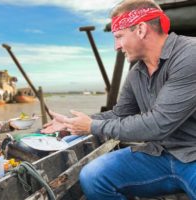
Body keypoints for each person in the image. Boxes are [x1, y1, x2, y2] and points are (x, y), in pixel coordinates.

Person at [41, 0, 196, 199]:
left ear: (140, 29)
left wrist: (91, 127)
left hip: (193, 155)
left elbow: (159, 123)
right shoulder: (137, 73)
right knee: (93, 176)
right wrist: (72, 125)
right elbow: (119, 114)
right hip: (160, 154)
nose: (116, 46)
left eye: (119, 36)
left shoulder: (189, 55)